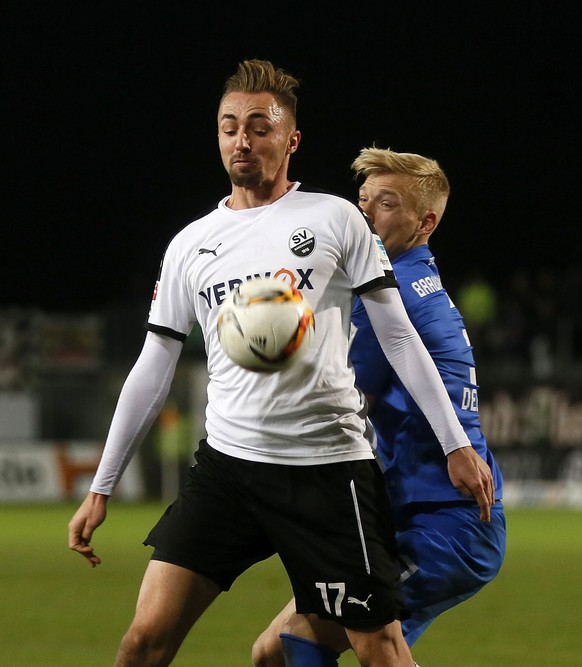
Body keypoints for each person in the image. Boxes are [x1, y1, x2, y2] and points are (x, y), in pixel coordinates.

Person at [68, 61, 494, 667]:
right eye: (229, 126)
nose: (242, 140)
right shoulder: (191, 244)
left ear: (290, 140)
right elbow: (152, 366)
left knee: (380, 648)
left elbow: (400, 339)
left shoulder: (335, 219)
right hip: (228, 469)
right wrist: (101, 485)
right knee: (143, 640)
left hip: (326, 471)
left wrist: (455, 444)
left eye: (259, 127)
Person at [252, 148, 506, 667]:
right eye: (363, 200)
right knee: (270, 653)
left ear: (425, 222)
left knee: (296, 643)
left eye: (386, 204)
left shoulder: (389, 297)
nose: (365, 214)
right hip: (412, 518)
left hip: (445, 527)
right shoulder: (410, 281)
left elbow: (337, 393)